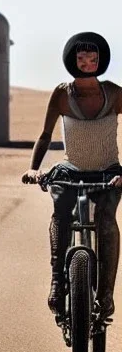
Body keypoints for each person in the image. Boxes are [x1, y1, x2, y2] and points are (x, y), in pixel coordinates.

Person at [21, 31, 122, 321]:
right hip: (72, 168)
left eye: (93, 58)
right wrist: (33, 168)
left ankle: (105, 296)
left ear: (101, 61)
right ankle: (57, 282)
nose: (88, 63)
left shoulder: (115, 93)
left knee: (106, 220)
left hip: (109, 170)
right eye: (81, 58)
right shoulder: (62, 94)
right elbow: (44, 135)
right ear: (72, 60)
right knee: (60, 212)